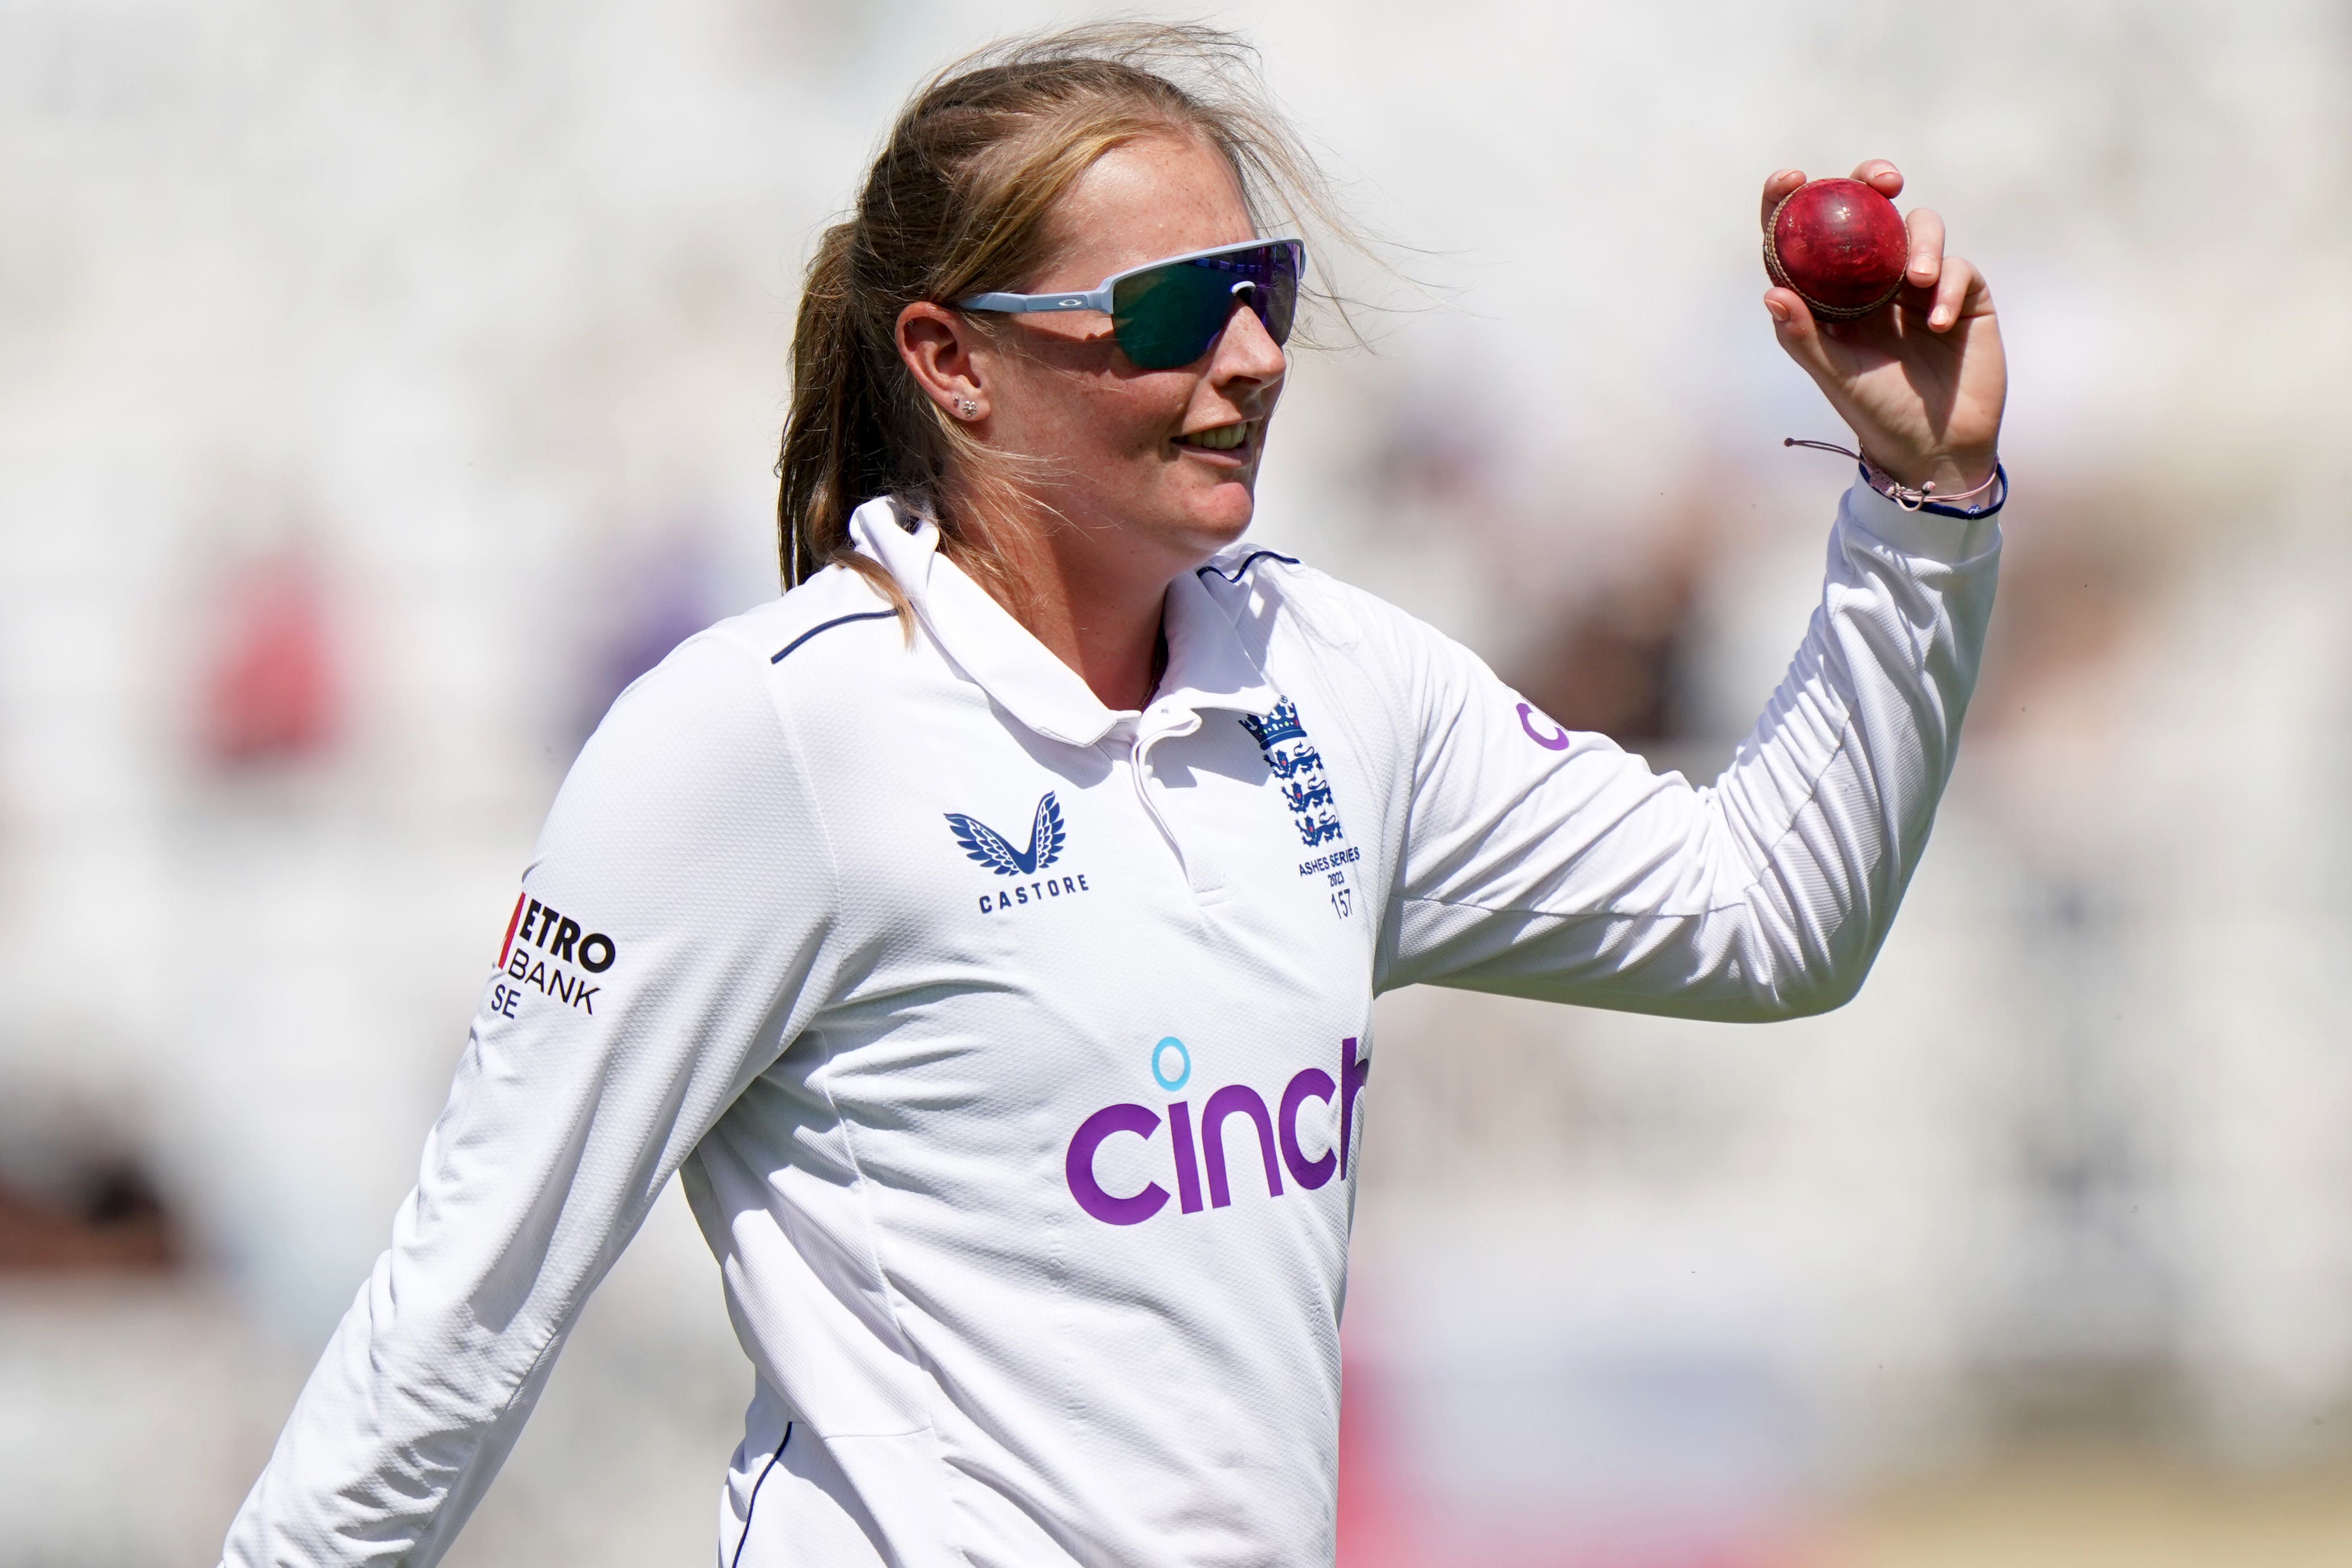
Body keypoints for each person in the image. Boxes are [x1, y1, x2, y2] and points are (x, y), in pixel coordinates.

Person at [220, 22, 2004, 1568]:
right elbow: (460, 1317)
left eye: (1265, 291)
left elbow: (1771, 917)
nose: (1247, 359)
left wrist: (1922, 505)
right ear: (952, 361)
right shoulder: (759, 746)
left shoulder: (1333, 677)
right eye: (1168, 309)